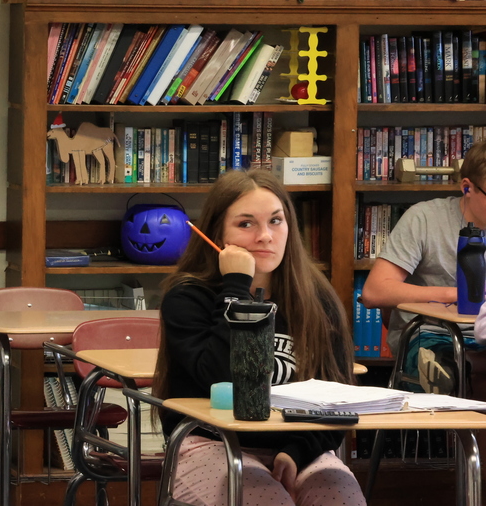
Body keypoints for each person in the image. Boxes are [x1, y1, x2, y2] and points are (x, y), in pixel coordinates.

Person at [152, 169, 364, 506]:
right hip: (211, 443)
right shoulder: (188, 296)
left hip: (296, 445)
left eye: (276, 221)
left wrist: (295, 451)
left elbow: (337, 396)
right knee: (267, 500)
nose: (265, 236)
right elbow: (220, 377)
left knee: (343, 497)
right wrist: (236, 287)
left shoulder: (316, 298)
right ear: (217, 233)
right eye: (246, 224)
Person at [362, 139, 486, 396]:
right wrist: (456, 294)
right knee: (457, 370)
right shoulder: (424, 218)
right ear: (467, 188)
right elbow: (375, 292)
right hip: (431, 332)